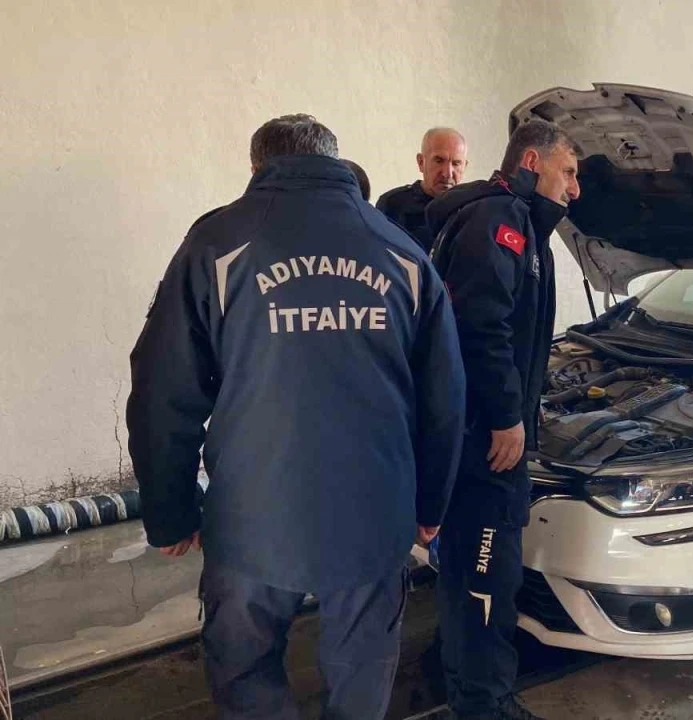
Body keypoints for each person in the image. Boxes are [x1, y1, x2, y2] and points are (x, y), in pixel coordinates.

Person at [126, 114, 466, 720]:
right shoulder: (402, 251)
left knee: (244, 667)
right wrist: (429, 505)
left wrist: (170, 511)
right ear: (335, 161)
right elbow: (443, 397)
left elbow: (163, 389)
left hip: (254, 514)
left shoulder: (217, 245)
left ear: (258, 167)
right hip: (374, 510)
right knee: (361, 674)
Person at [426, 118, 580, 720]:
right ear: (533, 162)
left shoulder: (505, 219)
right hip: (483, 443)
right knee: (486, 581)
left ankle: (476, 692)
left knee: (472, 575)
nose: (574, 189)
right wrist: (507, 416)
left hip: (467, 435)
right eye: (568, 172)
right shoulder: (501, 221)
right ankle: (483, 706)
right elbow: (483, 327)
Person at [376, 127, 469, 248]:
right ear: (421, 162)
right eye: (439, 161)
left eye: (456, 163)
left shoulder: (471, 209)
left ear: (465, 166)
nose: (447, 173)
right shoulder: (392, 204)